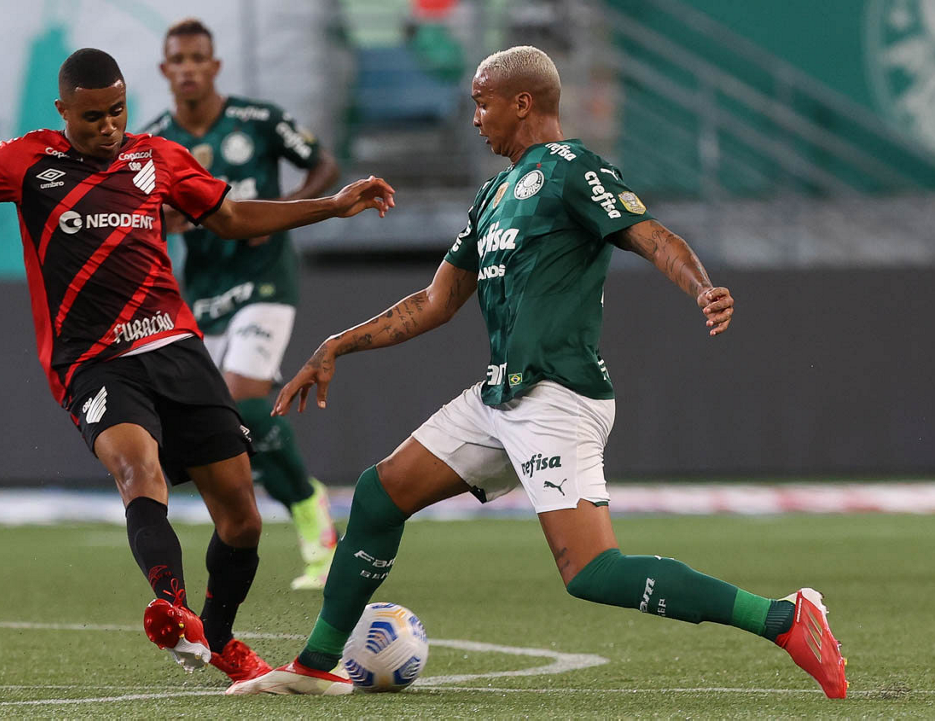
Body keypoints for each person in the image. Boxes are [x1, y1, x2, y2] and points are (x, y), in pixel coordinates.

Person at [228, 46, 847, 698]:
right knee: (379, 494)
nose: (474, 118)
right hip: (501, 395)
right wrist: (337, 344)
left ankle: (785, 619)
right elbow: (436, 301)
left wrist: (701, 287)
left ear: (522, 102)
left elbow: (649, 234)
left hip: (558, 394)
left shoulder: (574, 169)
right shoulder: (493, 194)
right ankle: (317, 664)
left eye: (482, 103)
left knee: (592, 572)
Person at [0, 48, 395, 685]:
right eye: (92, 117)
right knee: (138, 470)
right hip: (92, 361)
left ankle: (219, 640)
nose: (108, 126)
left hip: (174, 346)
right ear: (63, 111)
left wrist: (332, 205)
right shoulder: (26, 161)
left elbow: (231, 217)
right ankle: (173, 608)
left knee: (242, 519)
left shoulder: (159, 157)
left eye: (117, 111)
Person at [143, 18, 342, 591]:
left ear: (215, 66)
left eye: (197, 58)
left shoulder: (259, 120)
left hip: (265, 280)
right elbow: (142, 212)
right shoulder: (154, 142)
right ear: (165, 70)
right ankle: (288, 497)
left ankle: (309, 511)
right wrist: (165, 218)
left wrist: (283, 211)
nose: (188, 69)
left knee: (244, 396)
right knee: (224, 419)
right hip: (204, 292)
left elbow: (324, 166)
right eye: (178, 60)